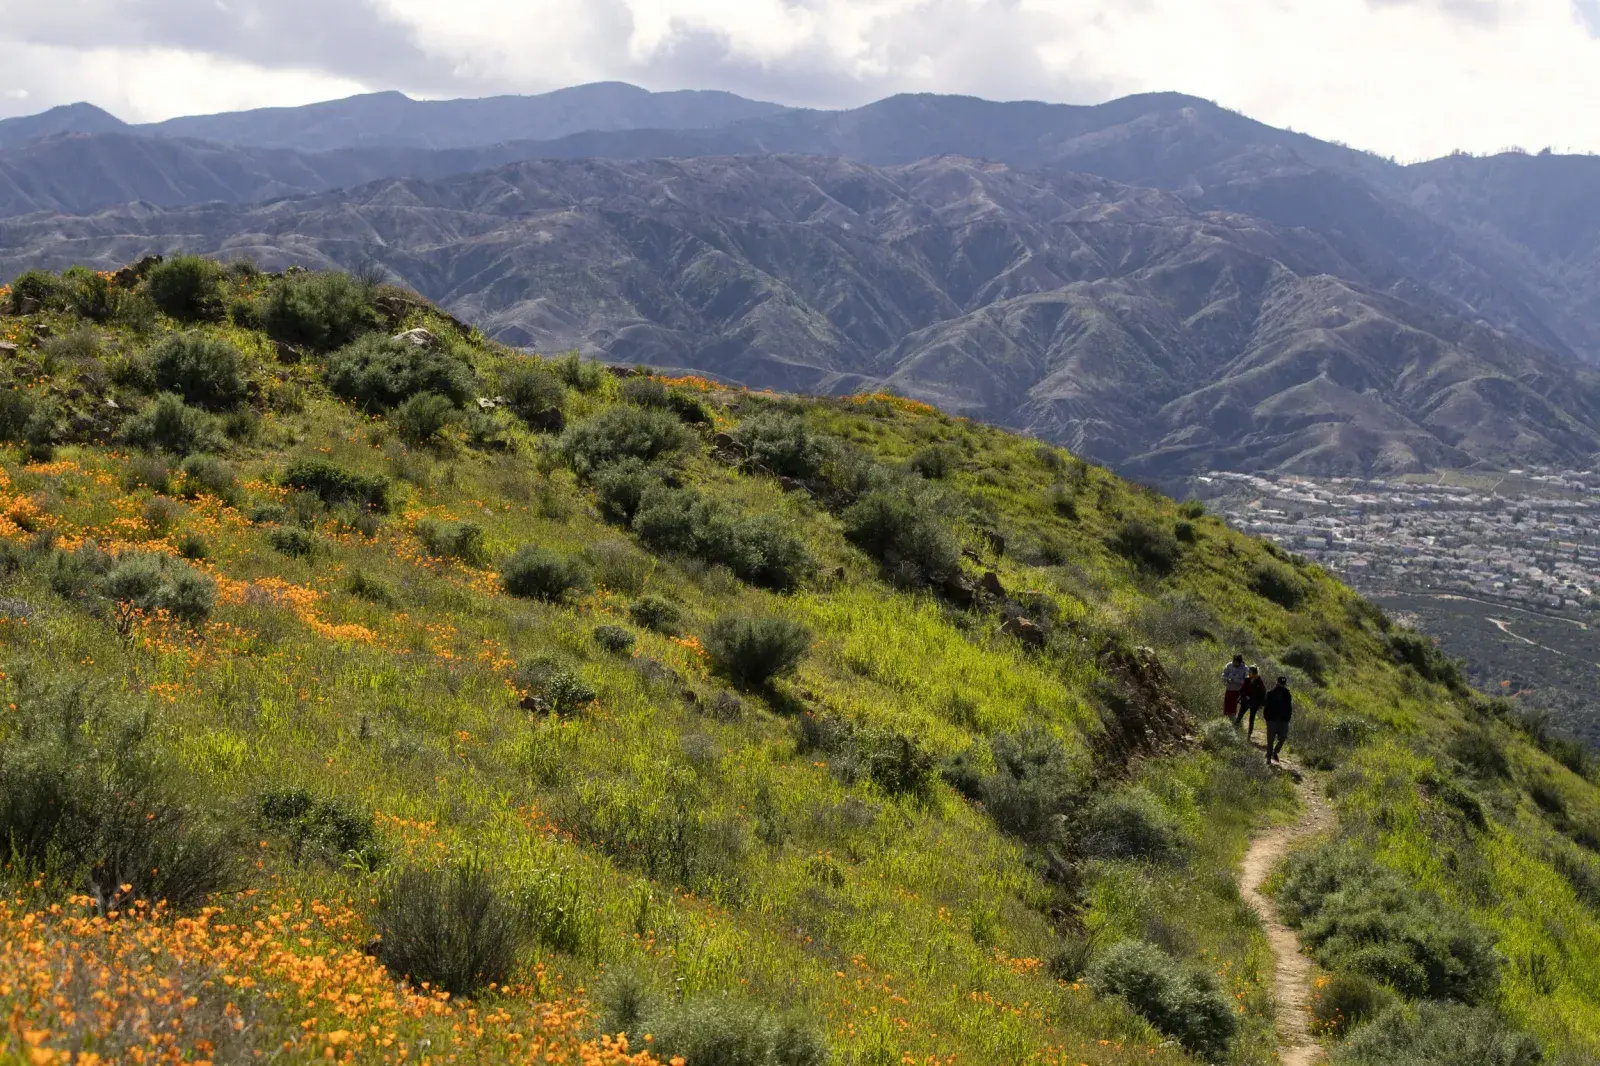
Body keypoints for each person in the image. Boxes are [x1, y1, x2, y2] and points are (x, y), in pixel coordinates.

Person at [1264, 676, 1293, 763]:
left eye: (1283, 684)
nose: (1282, 685)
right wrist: (1267, 717)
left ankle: (1275, 751)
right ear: (1277, 683)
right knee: (1270, 739)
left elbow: (1289, 708)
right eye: (1281, 683)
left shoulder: (1287, 694)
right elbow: (1266, 706)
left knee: (1283, 737)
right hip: (1272, 719)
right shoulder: (1270, 693)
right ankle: (1268, 757)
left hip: (1283, 720)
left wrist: (1287, 718)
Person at [1237, 665, 1267, 740]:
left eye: (1250, 672)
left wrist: (1261, 704)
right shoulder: (1247, 679)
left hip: (1254, 703)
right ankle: (1235, 733)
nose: (1248, 673)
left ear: (1254, 673)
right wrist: (1244, 696)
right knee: (1239, 717)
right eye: (1248, 671)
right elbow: (1241, 689)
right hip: (1245, 702)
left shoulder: (1259, 682)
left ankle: (1248, 736)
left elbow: (1263, 693)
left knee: (1251, 719)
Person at [1221, 654, 1247, 719]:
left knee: (1234, 708)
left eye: (1236, 662)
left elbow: (1246, 681)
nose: (1234, 663)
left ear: (1240, 662)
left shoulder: (1245, 668)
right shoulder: (1229, 665)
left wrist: (1236, 680)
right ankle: (1232, 721)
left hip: (1239, 691)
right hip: (1229, 689)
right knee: (1227, 707)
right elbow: (1223, 676)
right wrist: (1227, 679)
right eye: (1234, 661)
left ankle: (1236, 722)